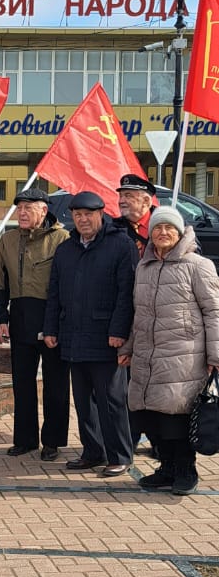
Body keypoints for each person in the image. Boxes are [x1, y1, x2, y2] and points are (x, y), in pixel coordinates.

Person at [118, 208, 219, 496]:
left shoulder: (198, 265)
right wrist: (128, 347)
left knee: (178, 416)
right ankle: (167, 468)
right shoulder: (144, 267)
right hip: (147, 355)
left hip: (183, 355)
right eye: (157, 228)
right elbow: (138, 313)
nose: (163, 233)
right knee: (152, 416)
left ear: (180, 232)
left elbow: (214, 312)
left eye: (169, 228)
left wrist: (215, 356)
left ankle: (186, 470)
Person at [43, 191, 138, 478]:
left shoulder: (120, 244)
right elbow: (54, 292)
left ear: (101, 214)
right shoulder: (66, 249)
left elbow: (127, 293)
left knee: (111, 399)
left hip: (106, 336)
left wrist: (119, 331)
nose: (83, 219)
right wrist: (50, 328)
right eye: (77, 215)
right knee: (83, 400)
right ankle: (93, 451)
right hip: (73, 335)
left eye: (88, 214)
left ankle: (119, 455)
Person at [0, 187, 70, 460]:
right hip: (21, 316)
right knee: (22, 382)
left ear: (44, 210)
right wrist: (1, 318)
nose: (22, 213)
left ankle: (52, 442)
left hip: (52, 317)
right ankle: (25, 439)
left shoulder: (62, 239)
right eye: (19, 208)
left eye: (28, 208)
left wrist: (56, 323)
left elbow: (66, 283)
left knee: (55, 384)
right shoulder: (8, 240)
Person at [112, 172, 158, 456]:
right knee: (128, 382)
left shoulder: (163, 226)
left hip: (158, 318)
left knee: (157, 381)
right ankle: (128, 438)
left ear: (146, 201)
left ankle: (159, 440)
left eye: (129, 196)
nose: (122, 201)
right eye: (121, 196)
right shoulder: (114, 229)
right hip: (126, 315)